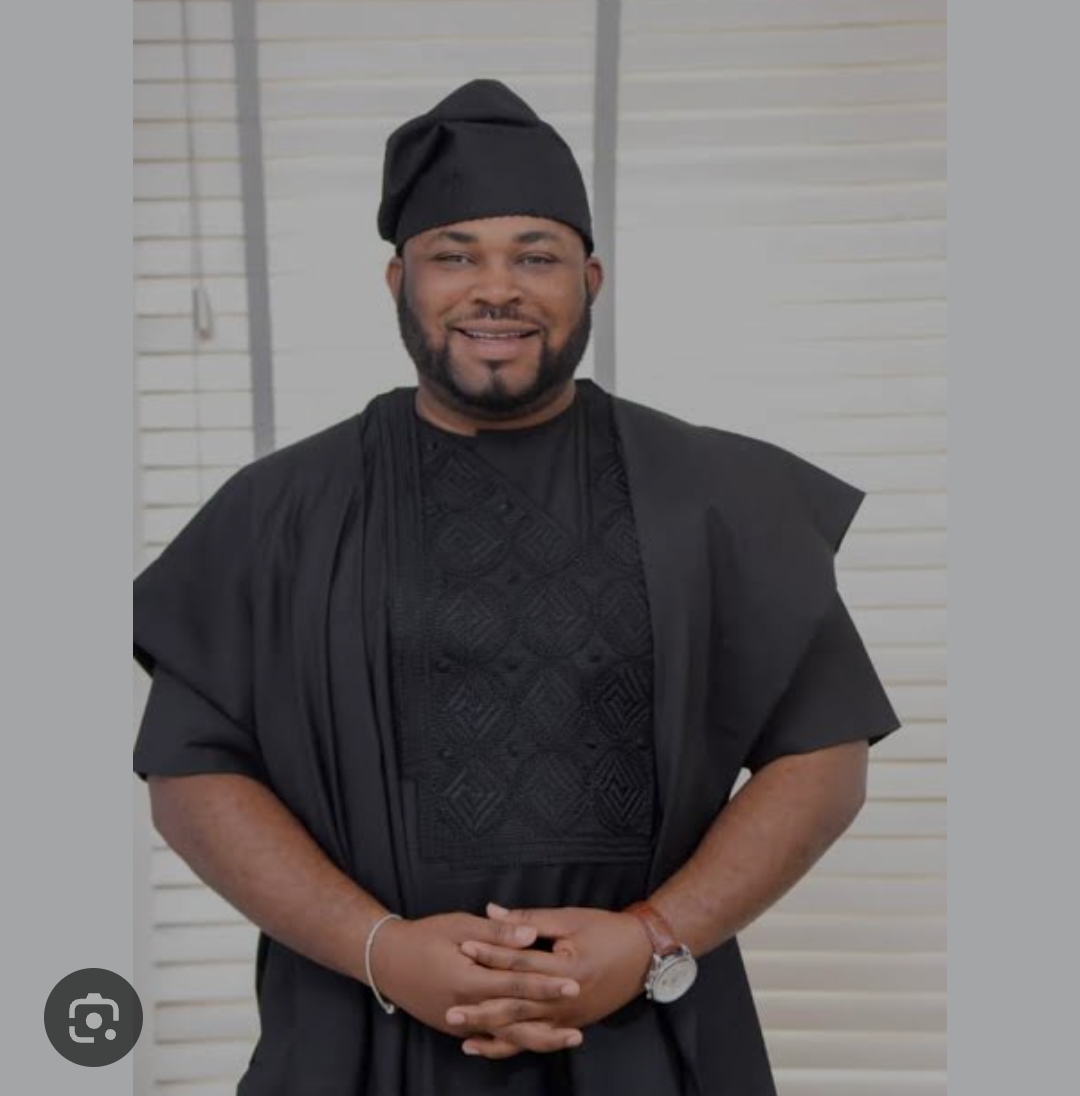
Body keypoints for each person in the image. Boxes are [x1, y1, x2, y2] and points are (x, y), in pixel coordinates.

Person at [133, 79, 901, 1096]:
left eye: (535, 256)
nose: (496, 289)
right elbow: (192, 774)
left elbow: (823, 755)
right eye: (455, 256)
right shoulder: (279, 512)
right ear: (399, 279)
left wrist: (651, 935)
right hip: (354, 1038)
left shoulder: (720, 498)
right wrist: (381, 949)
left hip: (649, 1041)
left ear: (591, 279)